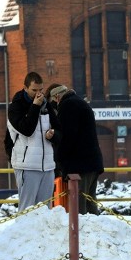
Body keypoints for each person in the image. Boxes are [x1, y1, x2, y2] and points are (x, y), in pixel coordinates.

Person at [7, 71, 61, 212]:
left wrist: (53, 135)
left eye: (41, 90)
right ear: (25, 88)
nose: (38, 94)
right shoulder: (16, 107)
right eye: (34, 90)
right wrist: (35, 107)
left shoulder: (46, 105)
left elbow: (59, 130)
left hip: (47, 166)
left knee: (45, 209)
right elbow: (27, 130)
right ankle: (23, 234)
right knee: (27, 209)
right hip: (27, 165)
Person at [49, 85, 104, 215]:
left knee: (79, 208)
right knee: (90, 203)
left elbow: (67, 137)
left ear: (57, 97)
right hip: (92, 162)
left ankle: (80, 234)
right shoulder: (79, 102)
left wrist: (59, 158)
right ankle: (95, 232)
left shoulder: (67, 105)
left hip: (79, 166)